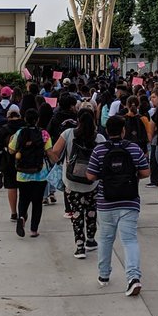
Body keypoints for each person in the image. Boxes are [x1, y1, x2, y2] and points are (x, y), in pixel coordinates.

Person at [87, 114, 150, 295]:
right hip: (129, 201)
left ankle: (103, 275)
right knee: (129, 240)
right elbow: (146, 172)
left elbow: (90, 175)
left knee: (106, 239)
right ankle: (133, 277)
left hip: (106, 202)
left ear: (107, 131)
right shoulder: (134, 148)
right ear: (123, 131)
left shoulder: (99, 150)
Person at [49, 103, 105, 258]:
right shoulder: (99, 138)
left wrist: (61, 163)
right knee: (91, 211)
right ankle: (91, 240)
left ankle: (80, 246)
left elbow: (55, 152)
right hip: (92, 181)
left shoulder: (68, 134)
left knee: (76, 213)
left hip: (71, 182)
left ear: (77, 120)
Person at [9, 104, 53, 238]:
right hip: (40, 173)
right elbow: (49, 152)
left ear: (24, 119)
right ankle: (34, 230)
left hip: (22, 173)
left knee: (23, 198)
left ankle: (22, 217)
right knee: (37, 202)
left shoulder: (19, 133)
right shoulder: (44, 134)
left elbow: (11, 150)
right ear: (37, 119)